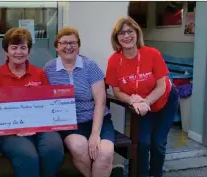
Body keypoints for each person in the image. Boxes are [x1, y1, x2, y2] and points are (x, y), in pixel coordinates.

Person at [105, 17, 179, 177]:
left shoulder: (152, 54)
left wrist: (146, 102)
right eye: (121, 33)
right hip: (141, 105)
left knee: (158, 143)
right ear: (116, 38)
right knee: (143, 142)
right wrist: (132, 100)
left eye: (130, 31)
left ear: (137, 33)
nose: (126, 36)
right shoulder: (114, 61)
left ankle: (156, 173)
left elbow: (162, 86)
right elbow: (117, 92)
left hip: (165, 100)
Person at [0, 27, 64, 177]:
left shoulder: (39, 73)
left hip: (40, 126)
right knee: (28, 156)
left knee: (53, 149)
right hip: (8, 130)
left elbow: (48, 104)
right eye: (14, 47)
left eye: (23, 47)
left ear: (29, 51)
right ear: (6, 51)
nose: (18, 52)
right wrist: (17, 128)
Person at [44, 27, 115, 177]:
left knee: (105, 153)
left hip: (96, 119)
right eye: (63, 43)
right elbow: (44, 100)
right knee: (78, 147)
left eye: (73, 43)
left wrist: (95, 134)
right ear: (56, 47)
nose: (68, 47)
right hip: (68, 122)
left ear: (79, 46)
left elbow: (100, 102)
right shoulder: (49, 69)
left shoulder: (90, 66)